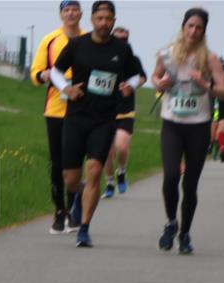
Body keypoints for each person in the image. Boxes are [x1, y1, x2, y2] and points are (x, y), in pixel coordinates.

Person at [51, 0, 143, 248]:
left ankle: (84, 228)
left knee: (93, 171)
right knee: (70, 179)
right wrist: (66, 88)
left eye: (108, 19)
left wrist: (129, 86)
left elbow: (138, 75)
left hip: (104, 120)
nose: (104, 23)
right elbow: (55, 72)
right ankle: (82, 193)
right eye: (100, 19)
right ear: (92, 20)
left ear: (114, 21)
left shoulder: (122, 49)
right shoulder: (77, 44)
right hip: (76, 118)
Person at [152, 6, 224, 255]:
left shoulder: (210, 59)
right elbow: (154, 78)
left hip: (198, 126)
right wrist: (160, 83)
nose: (193, 31)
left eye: (199, 28)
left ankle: (185, 233)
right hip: (172, 124)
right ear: (183, 27)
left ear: (204, 31)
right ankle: (170, 223)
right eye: (190, 26)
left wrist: (205, 84)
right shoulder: (166, 54)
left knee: (190, 183)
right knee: (170, 177)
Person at [31, 0, 84, 234]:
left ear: (81, 13)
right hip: (55, 109)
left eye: (74, 9)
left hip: (82, 109)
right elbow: (35, 74)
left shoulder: (88, 39)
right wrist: (43, 75)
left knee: (75, 161)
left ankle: (73, 209)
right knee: (57, 162)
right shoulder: (49, 40)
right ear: (61, 15)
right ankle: (59, 210)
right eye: (66, 10)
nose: (71, 13)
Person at [102, 26, 147, 199]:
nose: (122, 42)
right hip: (105, 111)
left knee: (122, 146)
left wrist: (131, 85)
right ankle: (109, 182)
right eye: (118, 39)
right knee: (107, 151)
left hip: (126, 110)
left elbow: (142, 77)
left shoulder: (133, 59)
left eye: (125, 39)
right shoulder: (103, 57)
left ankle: (121, 172)